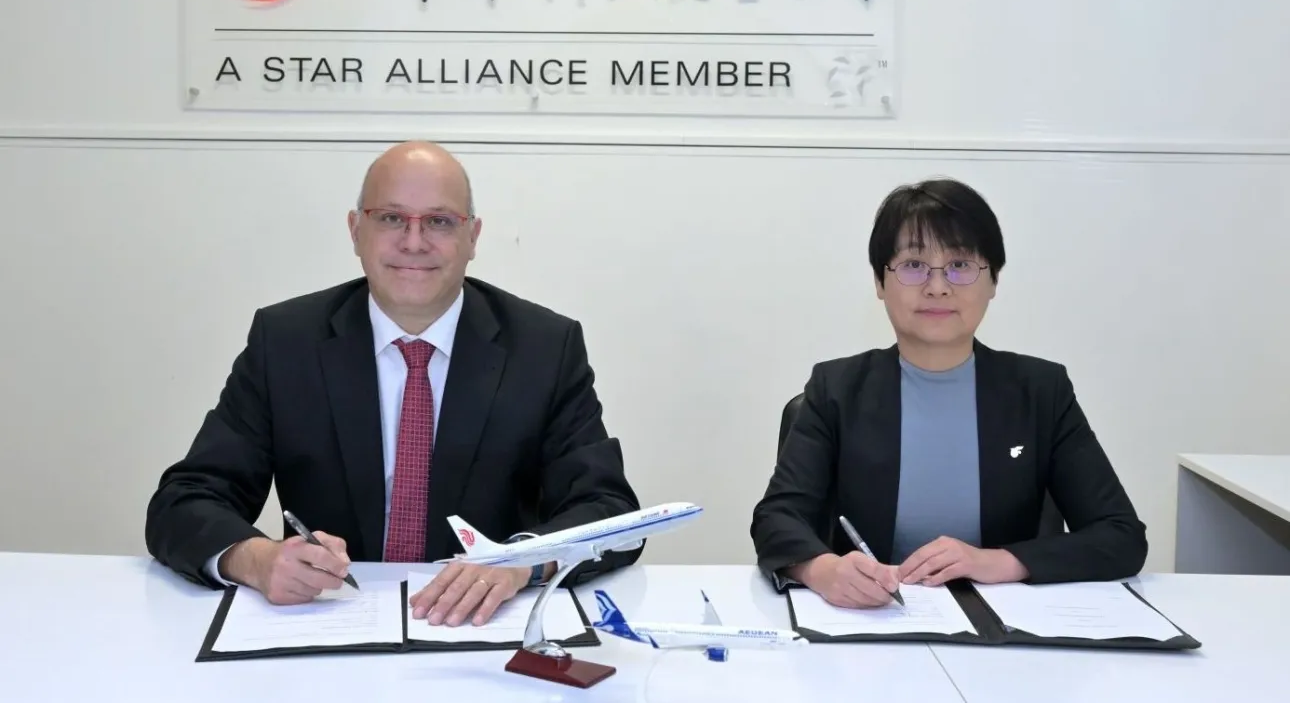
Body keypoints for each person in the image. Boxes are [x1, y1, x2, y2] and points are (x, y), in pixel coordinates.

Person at [145, 141, 642, 626]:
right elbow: (184, 500)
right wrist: (256, 560)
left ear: (472, 237)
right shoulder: (286, 342)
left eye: (440, 221)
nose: (414, 241)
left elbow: (610, 511)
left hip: (484, 630)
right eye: (390, 218)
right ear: (355, 230)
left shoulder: (544, 347)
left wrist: (522, 562)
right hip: (328, 622)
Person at [750, 177, 1147, 608]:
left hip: (1004, 623)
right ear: (880, 283)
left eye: (960, 265)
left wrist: (998, 561)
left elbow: (1121, 535)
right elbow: (776, 518)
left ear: (992, 281)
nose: (937, 286)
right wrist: (822, 570)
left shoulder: (1041, 391)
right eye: (913, 265)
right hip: (873, 619)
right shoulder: (837, 389)